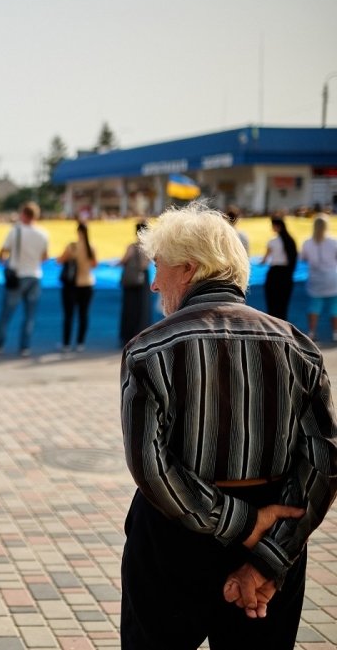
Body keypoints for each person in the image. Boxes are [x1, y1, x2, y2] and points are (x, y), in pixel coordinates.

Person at [120, 203, 337, 649]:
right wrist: (269, 558)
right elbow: (323, 464)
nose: (156, 282)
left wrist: (243, 524)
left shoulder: (149, 349)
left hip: (171, 536)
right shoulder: (300, 348)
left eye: (160, 268)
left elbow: (152, 468)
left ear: (191, 268)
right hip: (275, 528)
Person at [0, 201, 49, 357]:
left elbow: (3, 252)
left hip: (17, 276)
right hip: (34, 275)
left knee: (6, 313)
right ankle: (25, 347)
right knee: (29, 316)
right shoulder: (43, 234)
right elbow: (45, 257)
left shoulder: (15, 231)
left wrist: (3, 261)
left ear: (23, 214)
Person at [57, 222, 97, 352]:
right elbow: (94, 264)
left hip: (72, 285)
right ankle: (80, 343)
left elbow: (60, 260)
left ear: (78, 232)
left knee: (69, 315)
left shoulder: (72, 246)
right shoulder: (92, 247)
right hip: (88, 283)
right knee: (83, 314)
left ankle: (66, 343)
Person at [299, 216, 337, 341]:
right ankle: (335, 332)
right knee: (334, 306)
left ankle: (312, 332)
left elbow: (303, 258)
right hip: (332, 277)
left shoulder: (307, 242)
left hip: (315, 278)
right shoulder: (333, 242)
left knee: (314, 306)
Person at [118, 221, 152, 346]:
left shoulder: (132, 246)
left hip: (131, 281)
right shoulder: (148, 247)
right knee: (143, 309)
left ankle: (127, 335)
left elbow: (123, 260)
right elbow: (145, 265)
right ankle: (141, 336)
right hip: (143, 281)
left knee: (129, 308)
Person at [262, 214, 298, 321]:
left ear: (277, 226)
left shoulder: (272, 241)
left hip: (274, 273)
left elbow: (264, 260)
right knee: (283, 304)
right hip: (286, 274)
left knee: (272, 303)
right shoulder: (290, 240)